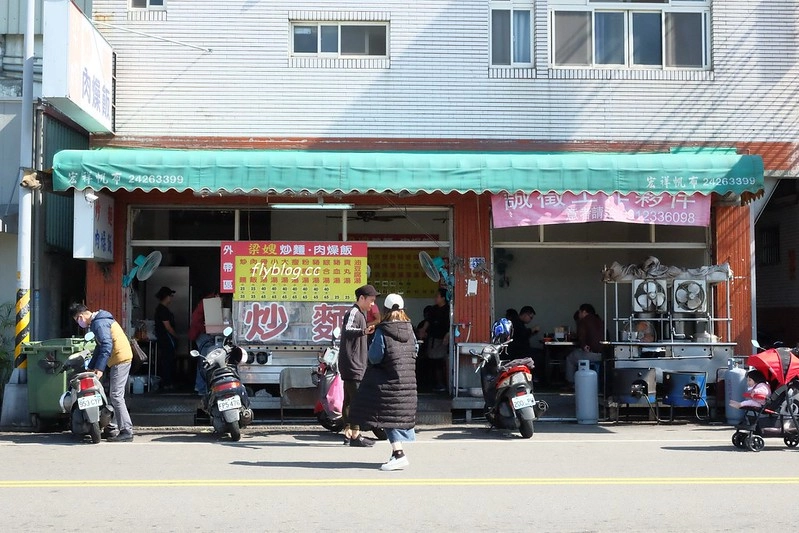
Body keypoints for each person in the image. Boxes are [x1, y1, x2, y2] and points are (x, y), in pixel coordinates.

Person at [350, 293, 418, 471]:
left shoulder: (382, 330)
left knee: (387, 416)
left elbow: (375, 357)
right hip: (408, 381)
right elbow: (415, 350)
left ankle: (399, 454)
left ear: (386, 310)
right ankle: (397, 452)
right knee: (394, 417)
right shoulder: (410, 329)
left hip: (388, 383)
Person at [68, 303, 135, 442]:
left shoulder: (99, 323)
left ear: (80, 316)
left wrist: (99, 369)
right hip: (118, 358)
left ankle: (126, 431)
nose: (79, 323)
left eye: (77, 320)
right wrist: (92, 367)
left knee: (116, 395)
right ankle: (112, 427)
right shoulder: (99, 321)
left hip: (120, 359)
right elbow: (99, 347)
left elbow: (106, 345)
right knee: (114, 395)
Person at [338, 284, 378, 447]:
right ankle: (356, 434)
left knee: (349, 400)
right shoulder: (354, 312)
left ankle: (348, 433)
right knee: (357, 400)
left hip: (352, 363)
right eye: (371, 300)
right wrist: (364, 331)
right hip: (353, 363)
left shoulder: (359, 313)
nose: (372, 305)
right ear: (361, 298)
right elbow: (347, 330)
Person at [564, 303, 605, 388]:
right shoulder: (600, 320)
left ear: (584, 312)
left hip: (592, 354)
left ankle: (571, 383)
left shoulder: (584, 321)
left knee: (570, 358)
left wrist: (583, 345)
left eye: (579, 312)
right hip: (604, 354)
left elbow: (581, 337)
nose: (579, 314)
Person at [189, 289, 219, 396]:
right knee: (205, 361)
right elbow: (197, 320)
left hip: (201, 334)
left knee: (203, 360)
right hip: (201, 334)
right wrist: (207, 329)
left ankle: (201, 386)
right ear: (217, 294)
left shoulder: (207, 301)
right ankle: (202, 388)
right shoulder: (209, 302)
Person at [427, 287, 450, 393]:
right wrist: (422, 330)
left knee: (440, 362)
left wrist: (448, 335)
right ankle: (436, 384)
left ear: (443, 298)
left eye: (437, 296)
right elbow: (428, 322)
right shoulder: (433, 309)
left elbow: (450, 326)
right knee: (433, 362)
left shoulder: (448, 310)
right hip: (433, 339)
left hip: (442, 340)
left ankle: (442, 384)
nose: (435, 298)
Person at [154, 286, 178, 391]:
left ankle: (167, 382)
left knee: (167, 360)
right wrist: (176, 336)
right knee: (167, 361)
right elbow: (167, 327)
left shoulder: (162, 309)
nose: (171, 298)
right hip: (166, 339)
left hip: (165, 339)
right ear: (166, 297)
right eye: (170, 296)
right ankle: (167, 383)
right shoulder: (162, 310)